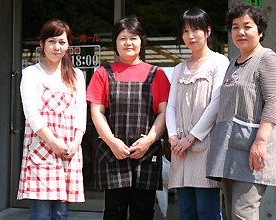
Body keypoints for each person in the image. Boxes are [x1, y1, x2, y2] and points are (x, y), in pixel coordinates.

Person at [206, 2, 276, 220]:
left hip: (252, 153)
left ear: (260, 31)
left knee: (243, 214)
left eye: (247, 26)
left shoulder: (267, 59)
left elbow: (274, 103)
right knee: (231, 214)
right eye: (235, 26)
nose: (240, 32)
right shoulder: (233, 63)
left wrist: (260, 142)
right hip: (228, 152)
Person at [86, 16, 170, 220]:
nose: (128, 43)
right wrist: (112, 142)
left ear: (141, 41)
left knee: (143, 211)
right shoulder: (102, 73)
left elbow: (164, 113)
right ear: (115, 42)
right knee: (114, 211)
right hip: (112, 151)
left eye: (133, 37)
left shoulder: (157, 74)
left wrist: (149, 140)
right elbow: (97, 113)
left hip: (147, 153)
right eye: (122, 38)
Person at [17, 19, 87, 219]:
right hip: (41, 149)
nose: (57, 47)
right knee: (40, 215)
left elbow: (81, 111)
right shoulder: (31, 74)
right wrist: (53, 142)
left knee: (60, 214)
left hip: (68, 150)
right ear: (42, 44)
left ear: (68, 45)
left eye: (62, 42)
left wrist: (76, 141)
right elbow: (31, 114)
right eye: (52, 41)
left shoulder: (77, 75)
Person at [166, 8, 229, 220]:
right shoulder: (179, 68)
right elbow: (171, 107)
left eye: (195, 29)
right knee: (186, 212)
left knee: (207, 211)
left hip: (205, 148)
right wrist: (174, 138)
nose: (190, 36)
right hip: (180, 152)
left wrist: (190, 138)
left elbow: (217, 103)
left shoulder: (219, 62)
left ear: (208, 31)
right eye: (185, 31)